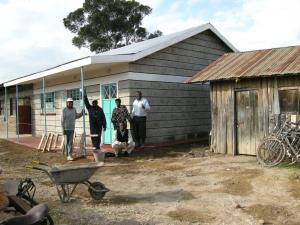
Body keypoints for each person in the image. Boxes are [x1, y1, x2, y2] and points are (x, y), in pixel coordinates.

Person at [84, 91, 106, 161]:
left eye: (95, 103)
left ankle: (97, 151)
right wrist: (85, 96)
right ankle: (95, 151)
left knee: (98, 139)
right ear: (92, 103)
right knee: (93, 139)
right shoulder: (90, 108)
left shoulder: (100, 109)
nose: (94, 104)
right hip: (93, 127)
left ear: (97, 103)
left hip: (99, 127)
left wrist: (104, 125)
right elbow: (86, 102)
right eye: (93, 103)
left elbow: (103, 118)